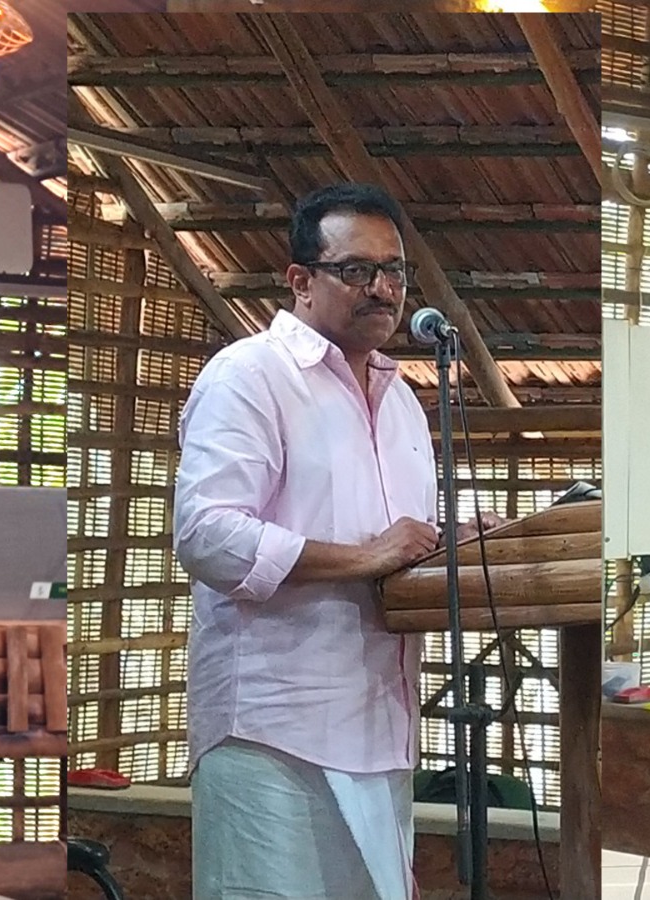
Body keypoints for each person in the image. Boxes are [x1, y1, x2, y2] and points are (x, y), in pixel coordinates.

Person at [174, 182, 502, 900]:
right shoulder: (250, 376)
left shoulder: (404, 399)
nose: (382, 289)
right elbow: (205, 534)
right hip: (274, 729)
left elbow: (395, 543)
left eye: (394, 271)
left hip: (381, 725)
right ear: (300, 279)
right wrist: (366, 557)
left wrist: (453, 544)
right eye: (356, 270)